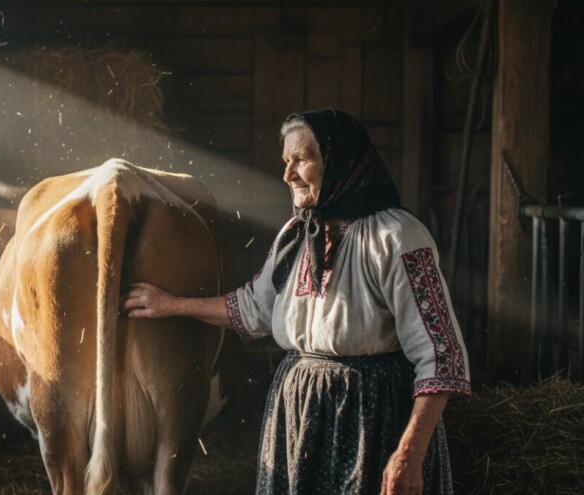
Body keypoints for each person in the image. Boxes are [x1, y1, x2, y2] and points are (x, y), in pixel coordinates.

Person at [122, 108, 471, 495]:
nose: (288, 174)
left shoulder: (397, 236)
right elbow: (253, 308)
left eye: (302, 160)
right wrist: (172, 305)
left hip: (369, 415)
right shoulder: (298, 234)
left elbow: (442, 355)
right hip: (300, 412)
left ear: (339, 162)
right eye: (286, 161)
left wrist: (409, 453)